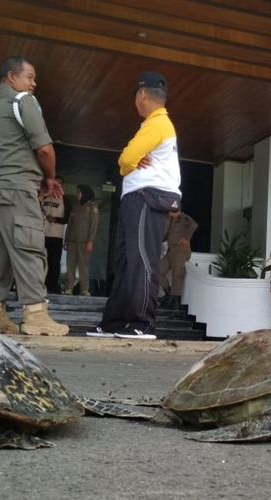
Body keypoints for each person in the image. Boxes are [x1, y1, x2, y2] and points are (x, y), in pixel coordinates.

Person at [0, 56, 69, 336]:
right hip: (16, 186)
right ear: (11, 77)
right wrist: (49, 178)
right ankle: (36, 315)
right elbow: (44, 149)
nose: (34, 84)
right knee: (29, 249)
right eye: (30, 77)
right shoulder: (22, 101)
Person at [93, 71, 181, 339]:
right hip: (137, 197)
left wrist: (127, 164)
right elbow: (132, 158)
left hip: (147, 196)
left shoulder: (158, 123)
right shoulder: (152, 125)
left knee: (141, 260)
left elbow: (127, 157)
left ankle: (141, 323)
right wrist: (131, 162)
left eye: (136, 96)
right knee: (125, 261)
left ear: (142, 94)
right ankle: (115, 322)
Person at [159, 209, 198, 309]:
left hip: (180, 251)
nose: (168, 213)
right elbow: (167, 235)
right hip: (171, 250)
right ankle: (168, 293)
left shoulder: (184, 218)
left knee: (177, 275)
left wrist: (186, 238)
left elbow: (194, 225)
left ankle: (174, 300)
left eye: (170, 211)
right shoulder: (170, 220)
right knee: (158, 270)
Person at [64, 185, 98, 296]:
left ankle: (84, 289)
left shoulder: (92, 207)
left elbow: (94, 226)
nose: (77, 194)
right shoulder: (75, 207)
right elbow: (69, 225)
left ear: (84, 193)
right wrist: (66, 240)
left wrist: (90, 241)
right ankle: (69, 288)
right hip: (72, 241)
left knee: (83, 266)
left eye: (79, 192)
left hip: (84, 242)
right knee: (70, 265)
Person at [41, 176, 71, 294]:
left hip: (56, 235)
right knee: (40, 261)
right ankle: (39, 285)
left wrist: (56, 219)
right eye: (55, 183)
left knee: (54, 261)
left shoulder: (65, 199)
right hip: (42, 233)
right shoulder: (44, 195)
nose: (57, 185)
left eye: (59, 183)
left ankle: (52, 286)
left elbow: (69, 217)